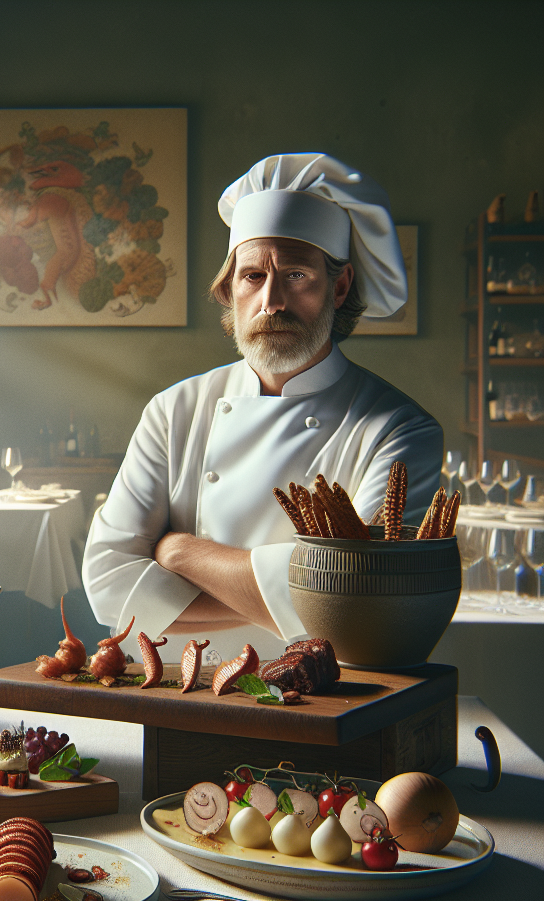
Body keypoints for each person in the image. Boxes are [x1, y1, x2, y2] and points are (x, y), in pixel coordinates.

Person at [82, 153, 443, 660]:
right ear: (230, 289)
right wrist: (298, 596)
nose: (271, 300)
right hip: (183, 692)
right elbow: (106, 582)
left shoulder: (399, 430)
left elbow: (360, 602)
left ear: (339, 288)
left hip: (328, 702)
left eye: (295, 275)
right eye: (252, 276)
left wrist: (180, 551)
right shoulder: (174, 410)